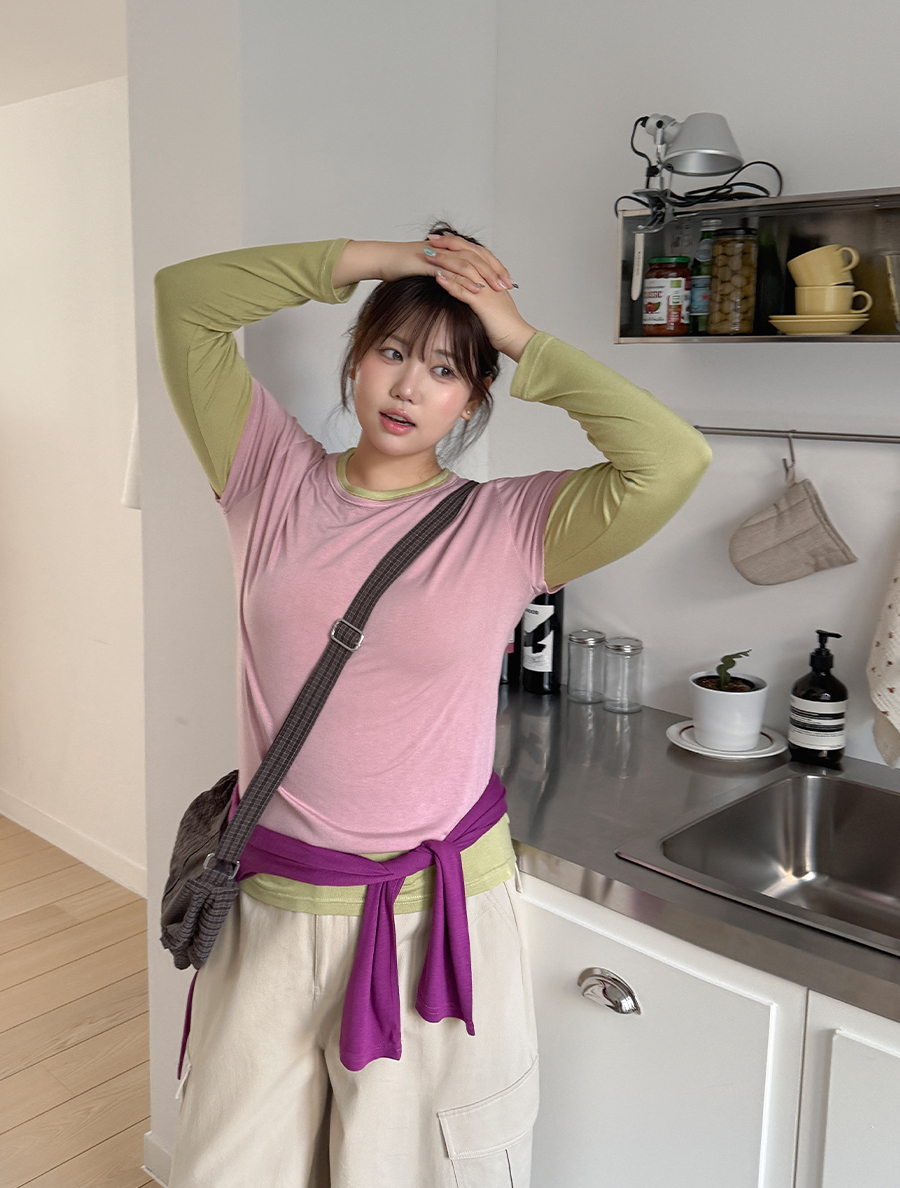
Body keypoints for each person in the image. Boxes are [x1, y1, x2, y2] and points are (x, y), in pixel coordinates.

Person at [155, 226, 711, 1188]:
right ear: (356, 359)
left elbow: (672, 460)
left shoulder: (511, 525)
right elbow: (185, 299)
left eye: (447, 369)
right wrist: (393, 260)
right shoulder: (267, 476)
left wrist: (518, 334)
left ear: (474, 397)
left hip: (434, 924)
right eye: (392, 351)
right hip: (272, 906)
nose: (410, 387)